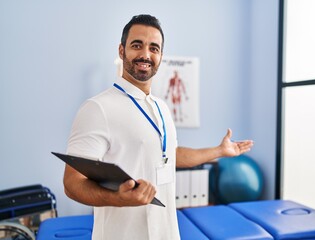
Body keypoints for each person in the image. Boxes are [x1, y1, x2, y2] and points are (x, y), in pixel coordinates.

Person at [63, 14, 254, 240]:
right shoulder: (97, 108)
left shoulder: (161, 107)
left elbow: (169, 155)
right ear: (121, 50)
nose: (145, 54)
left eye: (154, 48)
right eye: (137, 45)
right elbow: (72, 183)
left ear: (161, 56)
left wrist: (219, 151)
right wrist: (119, 199)